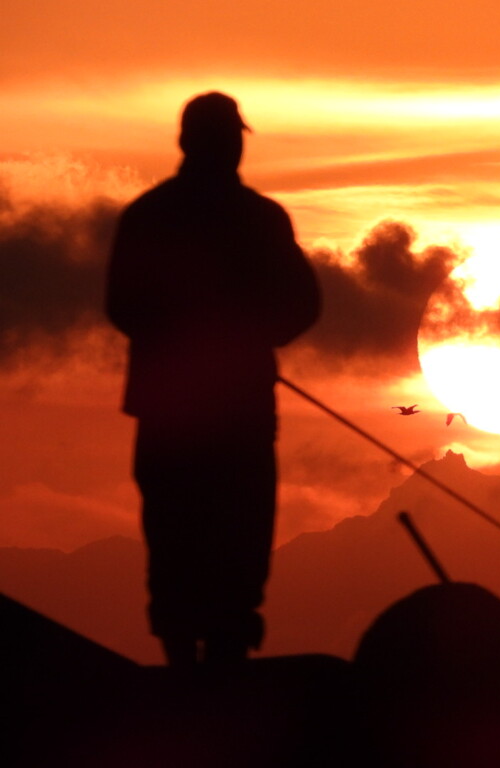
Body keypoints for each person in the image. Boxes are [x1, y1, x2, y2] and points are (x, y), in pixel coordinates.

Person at [106, 92, 320, 666]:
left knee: (176, 539)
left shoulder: (149, 216)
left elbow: (121, 306)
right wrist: (249, 334)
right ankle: (221, 667)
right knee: (235, 541)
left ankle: (185, 664)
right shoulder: (260, 219)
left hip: (170, 413)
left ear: (183, 142)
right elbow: (304, 305)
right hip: (236, 416)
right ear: (228, 143)